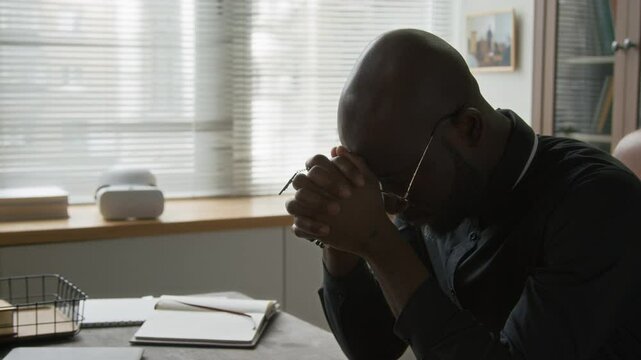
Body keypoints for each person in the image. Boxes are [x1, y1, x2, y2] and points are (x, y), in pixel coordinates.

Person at [285, 29, 641, 359]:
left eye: (395, 183)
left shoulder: (596, 203)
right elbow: (372, 348)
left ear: (468, 129)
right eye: (373, 183)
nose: (390, 203)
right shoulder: (437, 192)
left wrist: (378, 240)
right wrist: (338, 228)